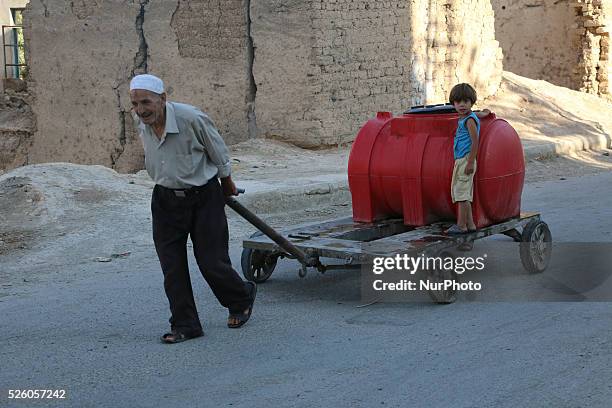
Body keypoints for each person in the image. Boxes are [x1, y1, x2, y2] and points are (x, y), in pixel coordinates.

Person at [129, 74, 256, 344]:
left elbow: (217, 149)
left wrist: (227, 183)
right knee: (172, 267)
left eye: (146, 102)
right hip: (164, 199)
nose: (141, 110)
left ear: (163, 99)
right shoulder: (142, 121)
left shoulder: (190, 118)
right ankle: (185, 325)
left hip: (203, 196)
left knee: (211, 261)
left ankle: (240, 298)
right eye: (136, 104)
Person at [446, 83, 490, 234]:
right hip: (462, 160)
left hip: (466, 160)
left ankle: (461, 225)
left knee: (461, 195)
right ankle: (470, 225)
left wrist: (471, 162)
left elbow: (475, 140)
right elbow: (480, 114)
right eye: (458, 102)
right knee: (463, 194)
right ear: (453, 104)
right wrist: (485, 112)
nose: (462, 105)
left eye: (466, 101)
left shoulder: (469, 120)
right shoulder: (468, 116)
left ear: (471, 102)